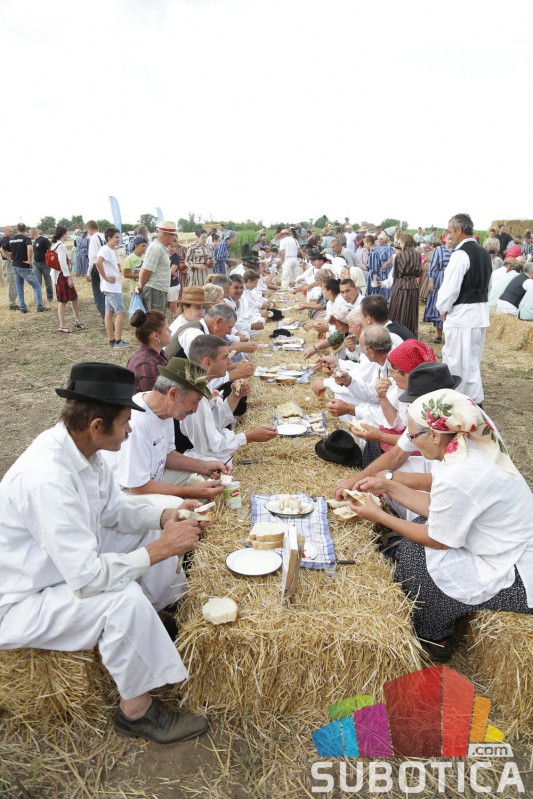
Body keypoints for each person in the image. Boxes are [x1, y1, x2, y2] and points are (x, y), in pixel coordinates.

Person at [0, 361, 210, 744]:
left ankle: (151, 620)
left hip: (59, 570)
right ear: (97, 425)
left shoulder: (83, 451)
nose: (130, 429)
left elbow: (115, 510)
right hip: (23, 598)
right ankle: (136, 712)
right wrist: (162, 548)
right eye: (126, 422)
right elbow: (88, 578)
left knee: (152, 523)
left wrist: (166, 515)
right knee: (121, 599)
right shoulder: (48, 480)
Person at [351, 389, 533, 660]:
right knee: (414, 542)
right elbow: (436, 507)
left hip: (518, 570)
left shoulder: (460, 472)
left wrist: (379, 516)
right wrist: (389, 486)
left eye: (413, 436)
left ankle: (434, 639)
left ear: (435, 435)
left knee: (420, 569)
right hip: (503, 543)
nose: (412, 443)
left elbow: (437, 540)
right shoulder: (464, 447)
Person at [114, 357, 229, 496]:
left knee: (209, 480)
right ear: (173, 393)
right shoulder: (137, 423)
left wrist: (204, 466)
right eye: (194, 402)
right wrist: (191, 492)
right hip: (128, 495)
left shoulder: (164, 408)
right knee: (189, 499)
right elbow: (137, 489)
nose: (195, 410)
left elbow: (166, 454)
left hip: (154, 478)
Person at [181, 335, 277, 464]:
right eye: (225, 357)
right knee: (220, 462)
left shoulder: (202, 383)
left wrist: (235, 396)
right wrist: (248, 437)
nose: (229, 362)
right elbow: (210, 447)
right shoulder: (194, 394)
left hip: (201, 451)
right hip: (190, 454)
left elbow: (215, 423)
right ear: (208, 362)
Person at [436, 213, 491, 405]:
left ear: (459, 230)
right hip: (479, 313)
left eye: (450, 231)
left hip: (462, 315)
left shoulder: (460, 254)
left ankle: (459, 403)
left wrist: (442, 309)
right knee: (472, 362)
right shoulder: (484, 253)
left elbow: (450, 288)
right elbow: (488, 286)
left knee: (456, 362)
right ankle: (473, 402)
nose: (448, 236)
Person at [1, 223, 47, 313]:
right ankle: (40, 307)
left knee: (19, 288)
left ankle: (22, 308)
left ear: (17, 229)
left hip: (15, 266)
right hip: (24, 266)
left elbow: (2, 250)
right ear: (25, 230)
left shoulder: (11, 239)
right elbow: (30, 248)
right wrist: (29, 261)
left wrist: (10, 259)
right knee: (37, 286)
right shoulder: (26, 238)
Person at [49, 225, 86, 333]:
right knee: (63, 301)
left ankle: (78, 320)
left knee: (74, 298)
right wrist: (69, 277)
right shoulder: (60, 246)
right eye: (67, 233)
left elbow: (60, 260)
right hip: (62, 276)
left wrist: (68, 260)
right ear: (63, 234)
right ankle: (62, 325)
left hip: (58, 275)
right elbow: (62, 264)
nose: (68, 235)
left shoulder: (54, 244)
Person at [96, 227, 128, 349]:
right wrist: (105, 277)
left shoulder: (111, 250)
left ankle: (111, 340)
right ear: (109, 238)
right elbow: (98, 262)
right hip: (112, 288)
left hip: (111, 287)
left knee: (109, 313)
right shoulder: (105, 249)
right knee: (121, 313)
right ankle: (118, 341)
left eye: (119, 237)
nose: (118, 239)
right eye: (116, 237)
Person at [127, 309, 171, 392]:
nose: (170, 331)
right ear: (156, 336)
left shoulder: (156, 352)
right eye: (167, 329)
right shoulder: (146, 364)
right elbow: (155, 397)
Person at [387, 233, 422, 337]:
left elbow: (396, 274)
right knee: (411, 312)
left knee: (399, 310)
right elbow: (419, 271)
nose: (400, 244)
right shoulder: (418, 254)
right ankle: (411, 334)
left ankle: (398, 335)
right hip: (414, 285)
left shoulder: (400, 255)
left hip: (401, 285)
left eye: (401, 242)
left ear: (405, 243)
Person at [138, 221, 175, 312]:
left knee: (158, 318)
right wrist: (141, 287)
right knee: (155, 319)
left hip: (158, 290)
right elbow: (146, 270)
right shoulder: (156, 248)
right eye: (172, 235)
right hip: (155, 290)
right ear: (164, 235)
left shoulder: (160, 247)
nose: (174, 237)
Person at [423, 232, 453, 344]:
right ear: (445, 239)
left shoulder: (458, 250)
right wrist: (431, 281)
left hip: (453, 280)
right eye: (449, 239)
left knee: (452, 306)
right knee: (439, 305)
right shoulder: (439, 250)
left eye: (452, 239)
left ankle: (450, 335)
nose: (451, 241)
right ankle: (439, 335)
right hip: (440, 280)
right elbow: (433, 267)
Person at [86, 220, 106, 320]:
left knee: (99, 297)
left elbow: (93, 257)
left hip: (97, 267)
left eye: (87, 230)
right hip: (105, 266)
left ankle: (106, 320)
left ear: (90, 229)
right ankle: (108, 317)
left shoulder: (93, 238)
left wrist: (88, 273)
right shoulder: (103, 236)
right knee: (105, 294)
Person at [30, 227, 53, 304]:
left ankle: (50, 297)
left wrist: (49, 260)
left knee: (48, 282)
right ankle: (37, 299)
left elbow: (51, 249)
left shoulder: (44, 240)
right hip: (36, 264)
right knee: (37, 282)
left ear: (33, 233)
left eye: (30, 233)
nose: (29, 235)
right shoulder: (35, 241)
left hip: (45, 264)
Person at [0, 225, 18, 309]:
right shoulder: (3, 240)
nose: (12, 233)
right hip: (8, 262)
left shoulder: (9, 239)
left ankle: (14, 301)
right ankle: (12, 304)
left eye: (12, 231)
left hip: (11, 262)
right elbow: (4, 251)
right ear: (5, 231)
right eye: (10, 231)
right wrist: (12, 257)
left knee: (13, 282)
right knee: (10, 282)